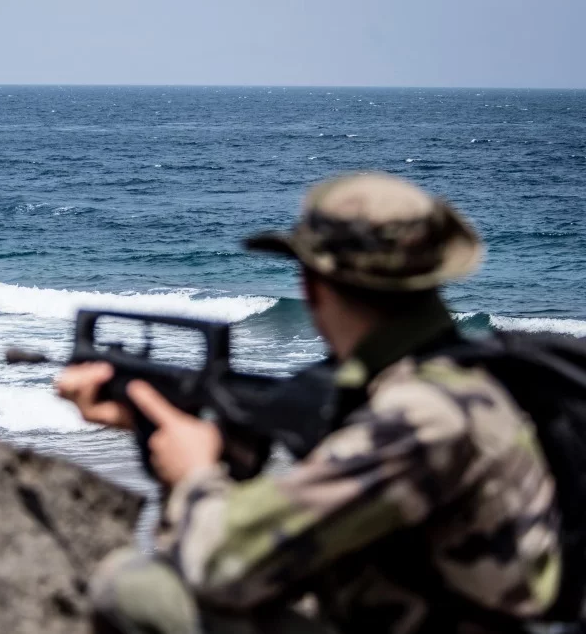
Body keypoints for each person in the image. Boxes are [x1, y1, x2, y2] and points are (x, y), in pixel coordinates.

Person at [56, 171, 562, 634]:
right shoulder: (460, 380)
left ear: (313, 287)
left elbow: (221, 567)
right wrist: (163, 431)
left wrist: (192, 473)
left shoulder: (421, 414)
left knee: (130, 586)